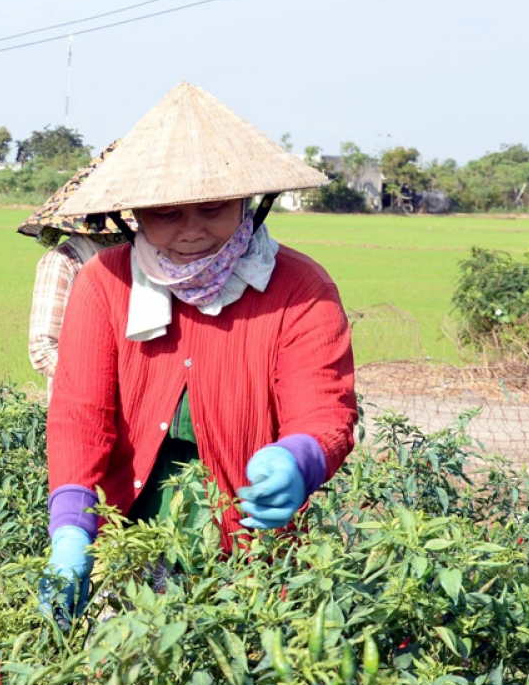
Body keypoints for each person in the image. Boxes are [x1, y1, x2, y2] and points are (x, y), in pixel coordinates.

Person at [39, 83, 356, 628]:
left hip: (250, 541)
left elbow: (324, 409)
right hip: (131, 534)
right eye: (165, 214)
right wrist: (70, 528)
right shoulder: (104, 284)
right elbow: (80, 419)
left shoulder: (300, 288)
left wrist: (300, 458)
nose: (191, 232)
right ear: (135, 214)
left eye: (212, 209)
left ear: (248, 201)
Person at [18, 144, 137, 398]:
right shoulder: (64, 262)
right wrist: (100, 379)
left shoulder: (148, 257)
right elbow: (43, 349)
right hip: (81, 399)